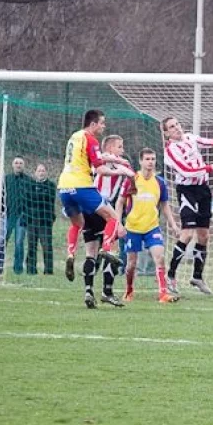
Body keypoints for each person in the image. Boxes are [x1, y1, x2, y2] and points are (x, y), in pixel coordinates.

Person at [57, 109, 131, 308]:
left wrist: (117, 161)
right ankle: (107, 290)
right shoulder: (92, 141)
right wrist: (123, 169)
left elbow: (95, 161)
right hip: (89, 194)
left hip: (65, 188)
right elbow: (100, 168)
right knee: (114, 227)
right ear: (93, 124)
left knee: (84, 239)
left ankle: (82, 278)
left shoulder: (75, 137)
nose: (103, 126)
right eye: (102, 123)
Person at [161, 116, 213, 295]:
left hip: (203, 189)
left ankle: (197, 277)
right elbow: (186, 171)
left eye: (177, 124)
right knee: (187, 234)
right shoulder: (170, 151)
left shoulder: (189, 137)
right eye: (171, 127)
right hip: (187, 191)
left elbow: (201, 140)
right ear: (166, 133)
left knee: (204, 235)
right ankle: (171, 275)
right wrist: (211, 167)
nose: (177, 128)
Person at [117, 148, 181, 303]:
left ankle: (163, 294)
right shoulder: (131, 180)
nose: (150, 162)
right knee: (131, 264)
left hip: (152, 227)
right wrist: (118, 224)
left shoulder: (160, 182)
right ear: (140, 161)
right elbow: (120, 202)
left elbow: (164, 205)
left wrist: (173, 225)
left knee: (160, 257)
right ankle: (129, 290)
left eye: (153, 159)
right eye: (147, 159)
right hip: (133, 227)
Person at [77, 135, 135, 306]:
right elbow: (129, 173)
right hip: (104, 209)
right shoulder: (104, 161)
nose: (123, 150)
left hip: (89, 208)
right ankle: (107, 292)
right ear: (109, 148)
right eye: (119, 146)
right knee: (113, 250)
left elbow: (131, 175)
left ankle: (88, 291)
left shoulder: (99, 162)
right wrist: (123, 167)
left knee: (91, 252)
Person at [0, 157, 30, 276]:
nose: (18, 165)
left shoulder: (28, 181)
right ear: (12, 165)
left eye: (20, 163)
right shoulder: (6, 179)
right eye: (16, 163)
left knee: (19, 242)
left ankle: (18, 268)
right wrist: (1, 211)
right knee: (2, 241)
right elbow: (1, 196)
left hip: (21, 216)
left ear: (23, 165)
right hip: (7, 215)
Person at [25, 164, 57, 275]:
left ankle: (48, 271)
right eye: (39, 171)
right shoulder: (30, 185)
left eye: (43, 171)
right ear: (35, 173)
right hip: (32, 220)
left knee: (47, 246)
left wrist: (36, 196)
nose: (41, 173)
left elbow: (48, 198)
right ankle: (31, 270)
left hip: (45, 221)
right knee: (31, 246)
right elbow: (28, 199)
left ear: (46, 172)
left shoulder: (51, 185)